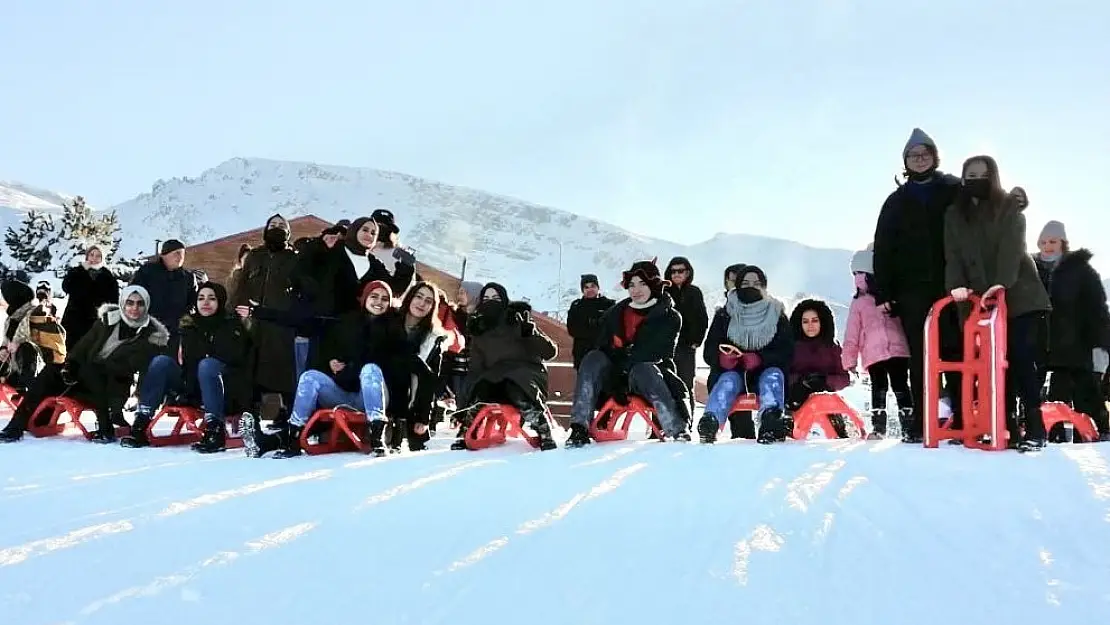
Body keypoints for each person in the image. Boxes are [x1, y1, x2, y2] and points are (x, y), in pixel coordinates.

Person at [944, 155, 1050, 451]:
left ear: (993, 177)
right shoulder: (955, 215)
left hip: (1019, 295)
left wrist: (1002, 281)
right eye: (970, 175)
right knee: (991, 363)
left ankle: (1035, 426)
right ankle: (1004, 425)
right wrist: (955, 287)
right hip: (981, 300)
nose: (976, 180)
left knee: (1018, 358)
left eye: (982, 174)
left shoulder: (1007, 208)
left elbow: (1012, 247)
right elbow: (953, 256)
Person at [871, 128, 965, 442]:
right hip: (911, 290)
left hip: (951, 284)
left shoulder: (953, 189)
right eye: (913, 155)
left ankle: (962, 417)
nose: (920, 159)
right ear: (906, 162)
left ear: (934, 156)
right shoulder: (896, 201)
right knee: (922, 357)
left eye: (925, 154)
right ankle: (923, 421)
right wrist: (884, 292)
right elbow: (883, 248)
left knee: (955, 352)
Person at [241, 280, 405, 458]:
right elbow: (316, 336)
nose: (379, 302)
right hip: (343, 390)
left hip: (372, 396)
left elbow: (382, 359)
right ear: (364, 298)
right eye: (374, 296)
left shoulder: (394, 328)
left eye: (384, 299)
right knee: (310, 376)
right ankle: (292, 438)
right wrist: (331, 362)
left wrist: (350, 367)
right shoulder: (346, 322)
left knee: (370, 369)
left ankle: (377, 439)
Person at [0, 286, 169, 443]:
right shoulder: (107, 321)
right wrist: (70, 366)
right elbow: (82, 347)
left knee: (92, 368)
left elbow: (142, 371)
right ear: (122, 304)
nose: (134, 308)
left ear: (146, 306)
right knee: (53, 369)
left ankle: (105, 426)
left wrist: (138, 401)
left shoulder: (151, 337)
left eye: (140, 304)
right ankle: (16, 425)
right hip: (84, 379)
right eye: (130, 303)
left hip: (111, 387)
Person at [565, 260, 692, 448]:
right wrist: (615, 371)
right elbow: (603, 346)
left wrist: (622, 365)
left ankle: (676, 429)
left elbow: (655, 352)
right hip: (614, 375)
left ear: (653, 285)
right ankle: (579, 427)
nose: (636, 290)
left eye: (642, 284)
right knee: (592, 358)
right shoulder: (615, 313)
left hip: (649, 374)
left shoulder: (669, 316)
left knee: (644, 368)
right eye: (631, 284)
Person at [121, 282, 252, 452]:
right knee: (161, 361)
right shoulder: (188, 326)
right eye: (201, 298)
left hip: (224, 390)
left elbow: (236, 361)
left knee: (207, 364)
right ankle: (141, 423)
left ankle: (215, 429)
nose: (205, 302)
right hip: (192, 387)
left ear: (220, 301)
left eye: (211, 299)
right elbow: (182, 361)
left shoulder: (232, 326)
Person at [450, 282, 559, 451]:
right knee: (481, 388)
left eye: (495, 298)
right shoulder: (480, 329)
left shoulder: (517, 319)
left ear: (504, 299)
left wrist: (530, 333)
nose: (491, 302)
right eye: (486, 298)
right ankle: (468, 428)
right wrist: (465, 399)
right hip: (494, 376)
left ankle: (542, 428)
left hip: (525, 373)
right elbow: (476, 369)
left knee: (514, 387)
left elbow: (549, 352)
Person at [1031, 220, 1110, 441]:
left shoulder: (1081, 270)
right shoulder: (1031, 267)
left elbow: (1098, 308)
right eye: (1043, 242)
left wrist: (1101, 343)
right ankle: (1051, 436)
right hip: (1041, 342)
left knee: (1086, 392)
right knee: (1044, 395)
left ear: (1063, 243)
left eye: (1053, 241)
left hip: (1074, 343)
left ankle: (1100, 432)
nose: (1047, 246)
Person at [697, 266, 793, 444]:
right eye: (746, 283)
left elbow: (786, 351)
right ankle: (710, 421)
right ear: (738, 285)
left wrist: (761, 358)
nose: (752, 287)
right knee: (727, 382)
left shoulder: (776, 313)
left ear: (764, 286)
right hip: (732, 370)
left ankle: (771, 420)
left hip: (765, 370)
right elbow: (709, 349)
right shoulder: (725, 313)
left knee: (772, 378)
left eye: (757, 283)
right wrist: (722, 359)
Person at [842, 245, 912, 439]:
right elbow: (852, 335)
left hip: (894, 350)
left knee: (894, 387)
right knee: (887, 388)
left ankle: (899, 427)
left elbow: (852, 335)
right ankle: (887, 427)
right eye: (855, 274)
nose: (857, 278)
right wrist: (849, 360)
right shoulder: (860, 303)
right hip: (879, 353)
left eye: (860, 273)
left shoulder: (889, 297)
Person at [664, 257, 709, 416]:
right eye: (673, 271)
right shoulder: (663, 292)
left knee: (685, 384)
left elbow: (702, 318)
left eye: (680, 271)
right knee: (662, 385)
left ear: (687, 272)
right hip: (665, 347)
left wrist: (696, 341)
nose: (676, 274)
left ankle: (686, 422)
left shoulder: (694, 292)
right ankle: (659, 427)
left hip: (686, 347)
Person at [60, 246, 120, 350]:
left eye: (98, 256)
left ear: (102, 258)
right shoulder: (77, 271)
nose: (94, 258)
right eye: (91, 255)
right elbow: (66, 287)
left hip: (96, 321)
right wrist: (81, 271)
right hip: (74, 319)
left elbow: (114, 301)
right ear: (87, 256)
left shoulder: (108, 276)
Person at [566, 274, 615, 369]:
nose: (590, 290)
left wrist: (591, 326)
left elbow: (611, 328)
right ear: (582, 290)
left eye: (593, 286)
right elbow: (573, 329)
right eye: (586, 287)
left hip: (605, 354)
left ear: (598, 287)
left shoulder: (608, 305)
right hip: (582, 355)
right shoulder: (577, 306)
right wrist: (595, 326)